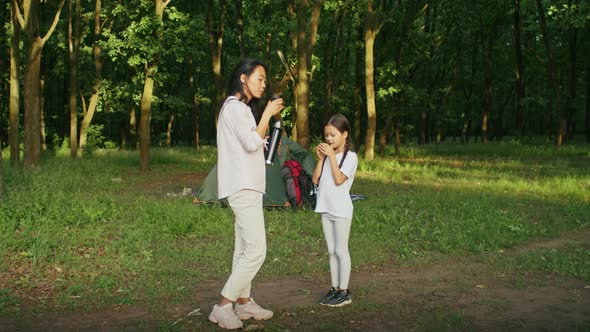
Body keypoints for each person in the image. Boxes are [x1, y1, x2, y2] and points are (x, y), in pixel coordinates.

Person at [208, 58, 284, 330]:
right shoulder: (235, 108)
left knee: (243, 249)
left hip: (248, 185)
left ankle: (243, 302)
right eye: (259, 78)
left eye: (265, 80)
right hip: (242, 186)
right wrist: (266, 115)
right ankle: (223, 305)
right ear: (243, 78)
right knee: (256, 251)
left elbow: (253, 145)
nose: (264, 84)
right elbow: (252, 142)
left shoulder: (241, 110)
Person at [312, 114, 358, 307]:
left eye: (333, 135)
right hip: (326, 208)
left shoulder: (351, 157)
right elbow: (315, 180)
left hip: (341, 210)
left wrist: (331, 156)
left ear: (344, 134)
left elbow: (339, 180)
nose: (329, 139)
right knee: (331, 251)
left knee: (341, 250)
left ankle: (344, 292)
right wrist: (321, 159)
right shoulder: (328, 156)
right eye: (326, 135)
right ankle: (334, 288)